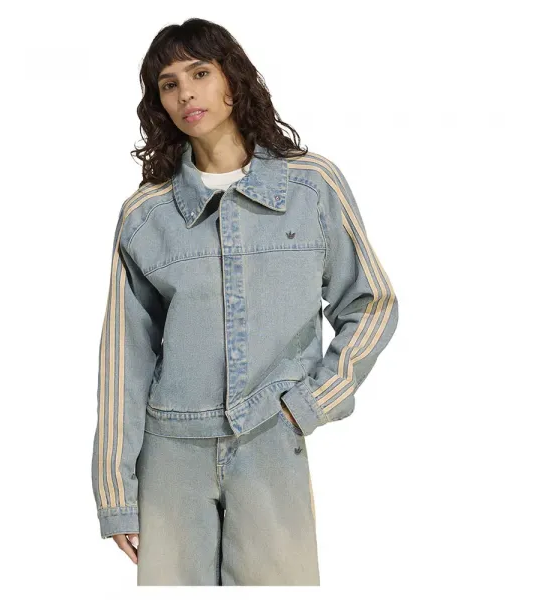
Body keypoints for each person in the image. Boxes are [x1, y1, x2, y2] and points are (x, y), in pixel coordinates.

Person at [91, 17, 399, 586]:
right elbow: (124, 361)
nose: (186, 94)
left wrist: (312, 402)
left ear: (232, 79)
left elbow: (371, 304)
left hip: (270, 441)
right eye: (168, 84)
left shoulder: (311, 187)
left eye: (200, 74)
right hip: (171, 453)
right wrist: (116, 492)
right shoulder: (146, 215)